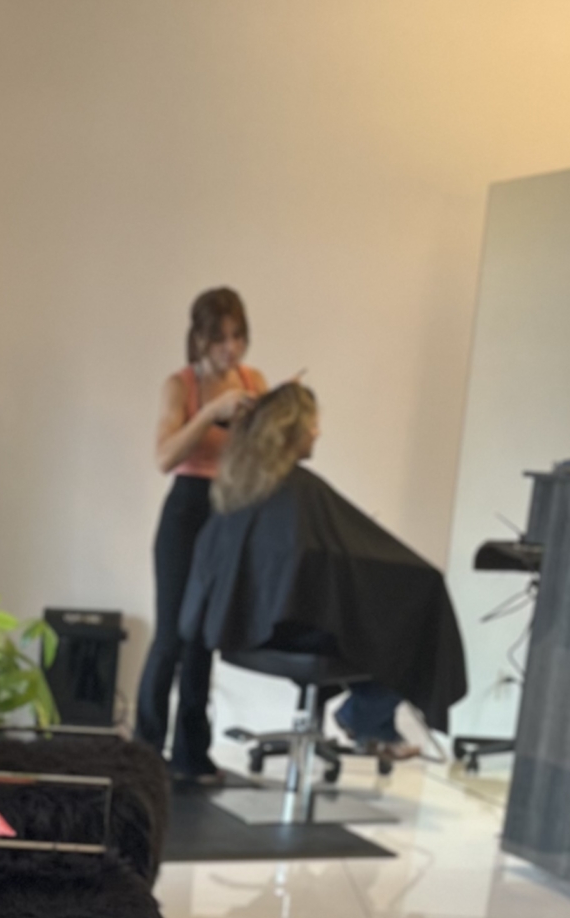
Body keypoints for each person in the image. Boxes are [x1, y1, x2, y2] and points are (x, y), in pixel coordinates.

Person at [184, 381, 464, 752]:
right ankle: (367, 716)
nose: (318, 432)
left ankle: (366, 715)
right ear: (293, 430)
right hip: (293, 631)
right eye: (312, 424)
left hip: (246, 631)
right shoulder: (302, 490)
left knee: (369, 623)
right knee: (411, 616)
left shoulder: (238, 487)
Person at [135, 287, 267, 784]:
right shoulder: (181, 385)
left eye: (237, 337)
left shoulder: (253, 382)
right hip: (186, 510)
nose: (230, 349)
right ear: (200, 339)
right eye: (220, 339)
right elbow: (164, 457)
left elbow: (263, 454)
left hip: (228, 510)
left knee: (202, 640)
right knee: (171, 635)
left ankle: (192, 754)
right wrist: (211, 414)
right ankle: (146, 751)